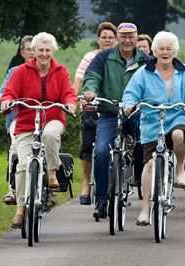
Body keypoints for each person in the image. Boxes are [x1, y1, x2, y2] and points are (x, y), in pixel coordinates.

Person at [122, 31, 185, 225]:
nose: (165, 52)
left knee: (178, 135)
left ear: (174, 51)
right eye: (161, 49)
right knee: (149, 165)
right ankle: (144, 210)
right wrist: (129, 105)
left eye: (169, 49)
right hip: (152, 121)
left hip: (177, 115)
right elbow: (131, 92)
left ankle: (181, 169)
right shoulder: (143, 72)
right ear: (154, 50)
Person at [1, 32, 77, 228]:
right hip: (26, 122)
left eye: (47, 50)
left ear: (52, 51)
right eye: (40, 50)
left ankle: (52, 172)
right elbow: (10, 92)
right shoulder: (21, 72)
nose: (44, 54)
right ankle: (20, 210)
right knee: (23, 165)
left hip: (52, 117)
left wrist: (70, 104)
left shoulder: (60, 71)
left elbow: (68, 93)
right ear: (33, 51)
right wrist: (8, 101)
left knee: (50, 135)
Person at [82, 22, 151, 219]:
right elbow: (92, 77)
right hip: (110, 112)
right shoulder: (104, 57)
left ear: (137, 38)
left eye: (131, 36)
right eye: (124, 36)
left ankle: (139, 179)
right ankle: (102, 199)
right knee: (102, 151)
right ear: (117, 38)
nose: (128, 40)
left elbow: (154, 81)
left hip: (136, 112)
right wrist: (90, 91)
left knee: (142, 143)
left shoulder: (145, 59)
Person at [73, 22, 117, 205]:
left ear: (115, 40)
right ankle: (86, 183)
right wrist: (74, 100)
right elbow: (79, 81)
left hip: (112, 109)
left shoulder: (118, 58)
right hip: (92, 108)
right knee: (88, 146)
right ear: (98, 39)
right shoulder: (89, 57)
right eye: (104, 37)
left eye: (110, 37)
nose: (107, 40)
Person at [0, 35, 33, 205]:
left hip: (41, 117)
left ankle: (46, 183)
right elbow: (2, 92)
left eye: (35, 49)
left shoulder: (46, 70)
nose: (32, 52)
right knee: (15, 146)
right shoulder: (14, 72)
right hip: (18, 118)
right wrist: (1, 98)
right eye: (28, 49)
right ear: (22, 52)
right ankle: (13, 190)